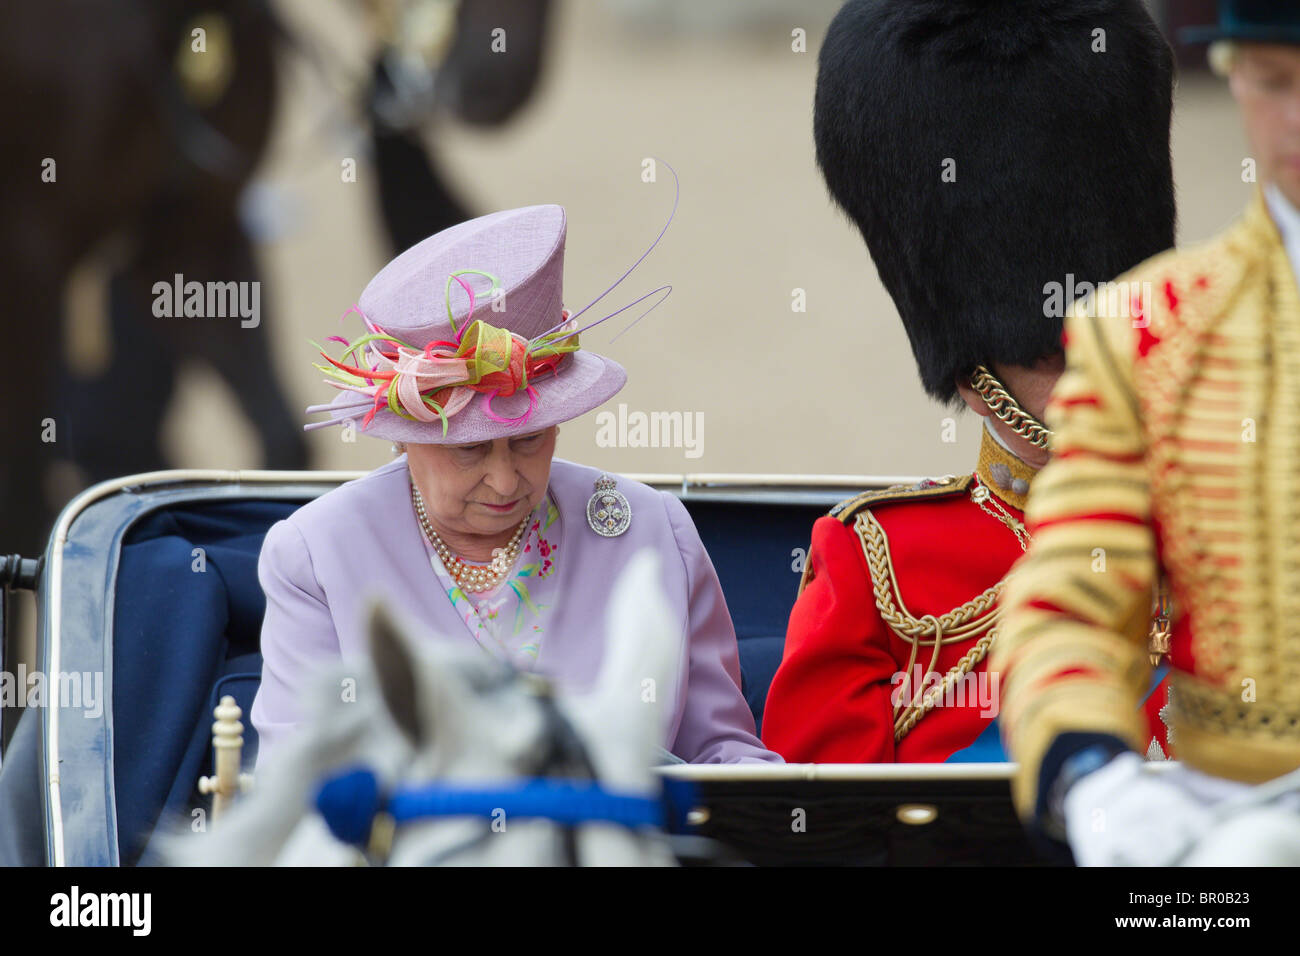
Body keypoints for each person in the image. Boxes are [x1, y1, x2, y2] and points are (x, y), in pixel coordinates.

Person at [761, 0, 1177, 763]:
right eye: (1052, 358)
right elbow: (822, 821)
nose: (1096, 385)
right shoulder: (876, 561)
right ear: (974, 375)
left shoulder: (1224, 525)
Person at [250, 203, 778, 766]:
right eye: (468, 449)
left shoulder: (652, 529)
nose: (504, 480)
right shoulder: (317, 554)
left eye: (530, 438)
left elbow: (725, 757)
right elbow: (300, 784)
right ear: (402, 438)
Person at [995, 0, 1300, 865]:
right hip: (1227, 816)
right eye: (1275, 84)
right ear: (1235, 74)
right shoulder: (1145, 328)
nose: (1297, 120)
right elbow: (1072, 597)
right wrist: (1089, 766)